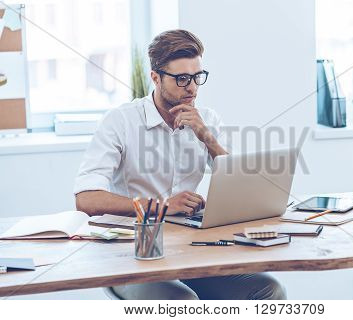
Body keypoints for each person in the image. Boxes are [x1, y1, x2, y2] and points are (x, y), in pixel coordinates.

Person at [74, 29, 286, 300]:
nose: (193, 87)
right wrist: (161, 206)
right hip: (135, 251)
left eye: (198, 77)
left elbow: (240, 185)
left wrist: (205, 135)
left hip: (190, 247)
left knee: (268, 289)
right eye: (182, 78)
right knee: (182, 302)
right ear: (155, 77)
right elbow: (87, 199)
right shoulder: (120, 121)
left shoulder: (207, 119)